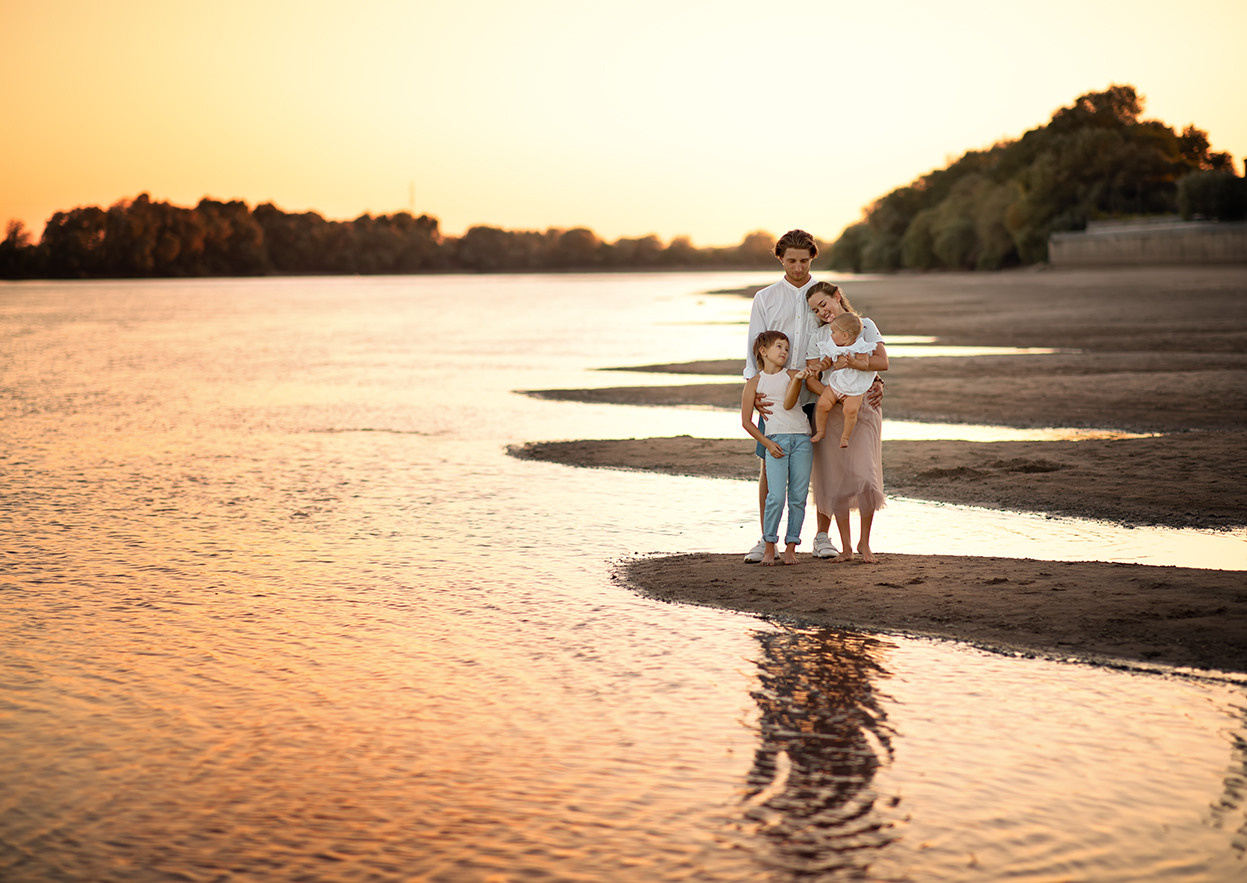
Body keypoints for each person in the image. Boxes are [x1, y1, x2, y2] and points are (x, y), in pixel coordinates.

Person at [742, 229, 834, 562]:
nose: (798, 267)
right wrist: (753, 390)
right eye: (791, 260)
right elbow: (754, 347)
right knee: (770, 466)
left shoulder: (824, 294)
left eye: (804, 261)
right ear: (780, 258)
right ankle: (766, 538)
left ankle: (821, 536)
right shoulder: (765, 298)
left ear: (812, 258)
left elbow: (848, 334)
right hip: (774, 397)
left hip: (819, 392)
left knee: (824, 467)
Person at [803, 282, 888, 563]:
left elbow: (882, 362)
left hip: (863, 407)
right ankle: (847, 547)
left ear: (837, 296)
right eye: (815, 310)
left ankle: (865, 542)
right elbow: (813, 378)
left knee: (866, 476)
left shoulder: (866, 326)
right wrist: (833, 396)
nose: (821, 312)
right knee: (837, 480)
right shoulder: (818, 336)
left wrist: (863, 375)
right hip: (832, 410)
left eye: (823, 304)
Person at [740, 330, 814, 566]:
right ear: (763, 351)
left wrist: (804, 376)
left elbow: (795, 399)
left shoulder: (792, 375)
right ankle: (769, 546)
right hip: (775, 442)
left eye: (787, 348)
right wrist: (767, 444)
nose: (784, 352)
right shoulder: (754, 383)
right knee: (775, 497)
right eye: (779, 347)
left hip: (802, 439)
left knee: (798, 497)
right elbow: (746, 422)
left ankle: (791, 547)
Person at [809, 312, 876, 448]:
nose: (831, 335)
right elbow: (827, 361)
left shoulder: (859, 348)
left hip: (854, 387)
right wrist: (819, 367)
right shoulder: (833, 346)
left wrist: (852, 362)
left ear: (845, 335)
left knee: (851, 410)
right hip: (836, 384)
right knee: (822, 405)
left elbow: (865, 365)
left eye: (833, 332)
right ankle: (821, 431)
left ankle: (845, 437)